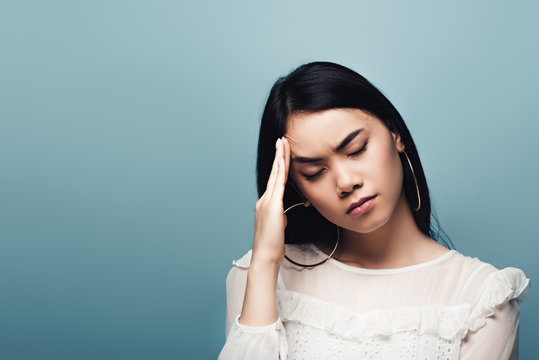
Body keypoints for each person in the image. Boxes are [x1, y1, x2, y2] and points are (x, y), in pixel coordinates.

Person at [217, 61, 531, 359]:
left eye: (356, 149)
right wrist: (265, 262)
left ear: (395, 134)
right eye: (314, 172)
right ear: (298, 189)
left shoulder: (481, 299)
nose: (346, 182)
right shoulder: (258, 277)